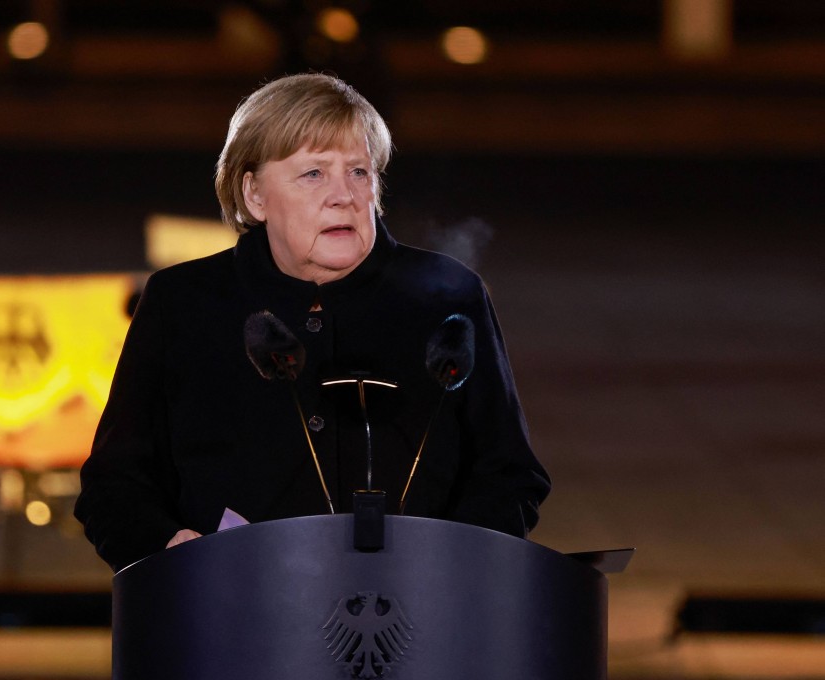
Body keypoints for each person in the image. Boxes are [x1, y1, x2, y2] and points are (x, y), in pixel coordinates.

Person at [74, 73, 550, 572]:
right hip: (232, 612)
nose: (344, 195)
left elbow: (510, 475)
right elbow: (115, 484)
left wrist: (452, 562)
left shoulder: (448, 297)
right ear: (254, 194)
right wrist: (168, 550)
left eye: (359, 172)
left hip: (416, 619)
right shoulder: (184, 302)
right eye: (314, 174)